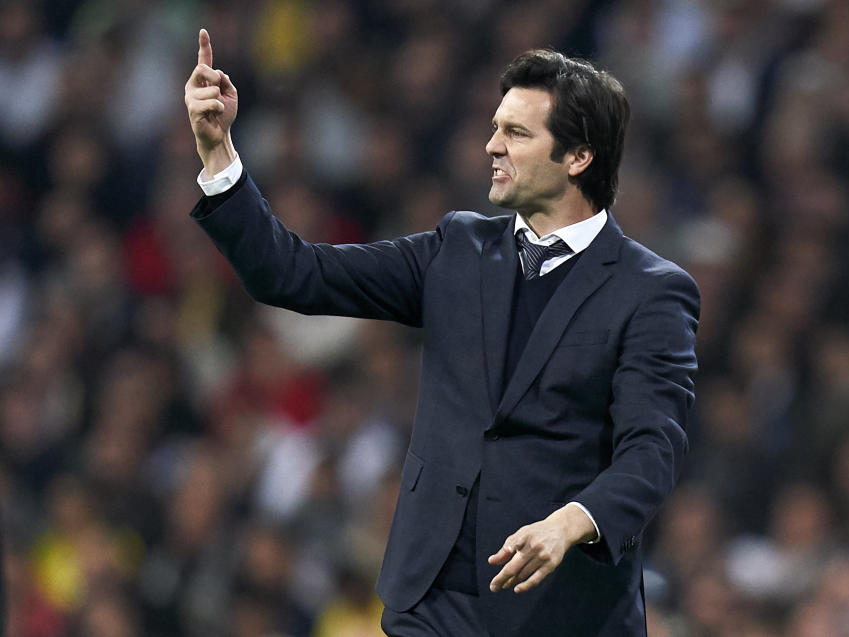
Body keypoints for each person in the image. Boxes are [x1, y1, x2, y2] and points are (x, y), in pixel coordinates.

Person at [184, 28, 699, 637]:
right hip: (432, 601)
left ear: (578, 157)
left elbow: (652, 451)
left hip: (563, 609)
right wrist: (219, 156)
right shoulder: (457, 249)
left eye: (516, 133)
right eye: (494, 127)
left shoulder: (650, 290)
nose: (492, 146)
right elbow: (291, 274)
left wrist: (573, 521)